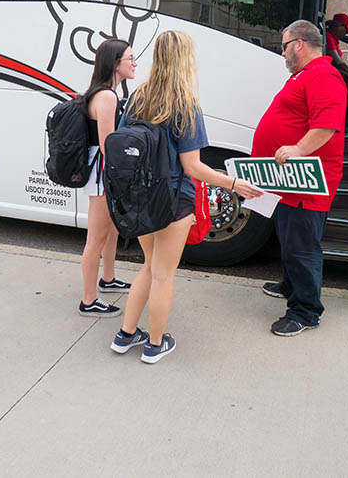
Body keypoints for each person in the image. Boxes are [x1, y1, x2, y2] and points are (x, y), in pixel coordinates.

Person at [109, 30, 262, 363]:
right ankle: (154, 344)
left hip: (141, 196)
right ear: (185, 59)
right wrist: (233, 183)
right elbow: (192, 167)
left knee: (149, 267)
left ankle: (125, 335)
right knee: (164, 274)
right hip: (175, 200)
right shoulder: (186, 104)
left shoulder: (139, 96)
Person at [253, 20, 347, 336]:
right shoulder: (305, 76)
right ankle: (291, 285)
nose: (282, 54)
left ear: (299, 44)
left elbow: (327, 124)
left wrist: (297, 148)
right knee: (289, 237)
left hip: (308, 181)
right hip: (290, 181)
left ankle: (306, 311)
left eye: (283, 46)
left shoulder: (324, 75)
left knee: (302, 245)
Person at [77, 39, 136, 317]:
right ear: (115, 64)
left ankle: (109, 278)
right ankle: (89, 300)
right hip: (103, 172)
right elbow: (107, 145)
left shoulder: (100, 92)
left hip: (99, 170)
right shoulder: (108, 97)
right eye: (130, 58)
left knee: (111, 229)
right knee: (96, 237)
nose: (134, 63)